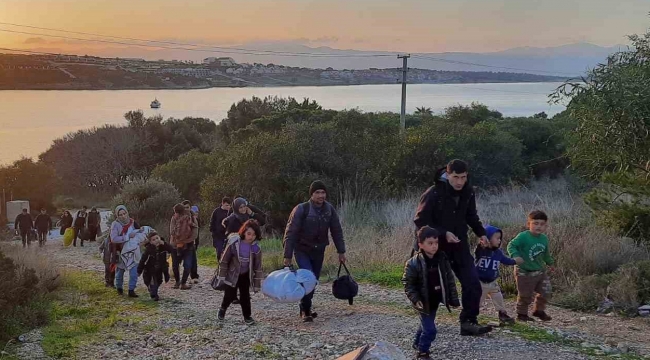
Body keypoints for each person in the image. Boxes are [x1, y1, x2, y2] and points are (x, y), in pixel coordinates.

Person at [413, 159, 492, 336]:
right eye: (455, 177)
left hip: (459, 244)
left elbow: (471, 216)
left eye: (463, 177)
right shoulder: (433, 193)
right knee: (431, 289)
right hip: (434, 247)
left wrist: (481, 233)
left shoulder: (468, 192)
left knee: (472, 282)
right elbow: (420, 221)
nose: (459, 182)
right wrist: (443, 233)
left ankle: (468, 322)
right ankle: (426, 329)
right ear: (447, 175)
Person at [283, 180, 346, 322]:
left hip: (319, 250)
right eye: (317, 192)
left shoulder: (329, 209)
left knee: (314, 280)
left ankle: (305, 306)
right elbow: (290, 232)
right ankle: (305, 309)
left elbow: (337, 231)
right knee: (308, 277)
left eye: (323, 192)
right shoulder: (301, 209)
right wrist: (287, 255)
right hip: (302, 250)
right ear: (311, 194)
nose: (321, 195)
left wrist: (341, 252)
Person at [402, 226, 460, 360]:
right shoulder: (413, 263)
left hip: (435, 300)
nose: (434, 246)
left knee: (425, 325)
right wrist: (415, 299)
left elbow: (449, 280)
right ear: (420, 244)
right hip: (423, 301)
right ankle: (422, 352)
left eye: (436, 243)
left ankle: (417, 343)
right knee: (430, 330)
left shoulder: (441, 258)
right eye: (430, 243)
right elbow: (408, 283)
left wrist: (453, 299)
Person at [507, 210, 555, 322]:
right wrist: (515, 256)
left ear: (546, 226)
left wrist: (550, 263)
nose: (539, 226)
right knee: (525, 295)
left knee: (546, 291)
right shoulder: (523, 236)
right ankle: (521, 314)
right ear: (529, 224)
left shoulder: (544, 238)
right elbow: (511, 245)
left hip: (539, 271)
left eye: (542, 224)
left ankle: (539, 311)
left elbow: (546, 253)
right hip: (524, 272)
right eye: (535, 223)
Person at [215, 220, 263, 325]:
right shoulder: (234, 243)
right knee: (229, 294)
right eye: (249, 234)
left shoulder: (256, 248)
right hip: (232, 273)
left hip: (245, 275)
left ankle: (247, 316)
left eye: (254, 234)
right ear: (244, 232)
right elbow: (225, 260)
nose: (251, 237)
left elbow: (258, 266)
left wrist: (257, 283)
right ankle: (222, 309)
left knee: (245, 296)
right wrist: (221, 275)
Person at [474, 225, 520, 325]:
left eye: (500, 238)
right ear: (488, 238)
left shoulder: (498, 253)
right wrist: (482, 243)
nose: (499, 241)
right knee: (477, 301)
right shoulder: (481, 251)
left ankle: (502, 314)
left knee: (498, 297)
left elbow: (505, 260)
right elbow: (477, 252)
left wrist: (514, 261)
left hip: (493, 282)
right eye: (497, 238)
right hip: (480, 282)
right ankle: (471, 316)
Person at [110, 205, 144, 298]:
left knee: (134, 272)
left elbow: (139, 234)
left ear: (127, 213)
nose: (123, 216)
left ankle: (131, 290)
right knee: (120, 271)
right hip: (121, 251)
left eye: (124, 213)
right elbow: (113, 238)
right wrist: (127, 237)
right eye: (120, 214)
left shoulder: (133, 222)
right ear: (117, 215)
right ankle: (119, 288)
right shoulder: (115, 224)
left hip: (133, 251)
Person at [137, 231, 173, 301]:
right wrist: (139, 270)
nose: (156, 240)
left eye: (157, 238)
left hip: (160, 269)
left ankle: (153, 290)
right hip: (150, 270)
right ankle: (154, 295)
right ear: (150, 242)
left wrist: (164, 243)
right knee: (153, 282)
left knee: (159, 281)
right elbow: (143, 260)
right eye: (153, 240)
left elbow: (171, 250)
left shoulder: (163, 247)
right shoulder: (148, 250)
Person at [169, 203, 198, 290]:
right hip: (175, 245)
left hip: (187, 245)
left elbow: (195, 232)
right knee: (175, 265)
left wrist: (184, 241)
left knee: (187, 265)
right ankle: (178, 281)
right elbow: (171, 231)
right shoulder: (174, 218)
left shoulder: (191, 217)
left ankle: (183, 283)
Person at [209, 197, 232, 262]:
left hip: (228, 236)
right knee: (219, 252)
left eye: (229, 205)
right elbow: (212, 223)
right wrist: (213, 232)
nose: (228, 207)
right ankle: (220, 265)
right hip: (218, 236)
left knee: (227, 253)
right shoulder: (216, 212)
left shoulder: (231, 212)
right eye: (226, 205)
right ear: (222, 204)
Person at [190, 205, 201, 284]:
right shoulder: (189, 220)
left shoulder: (197, 220)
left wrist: (197, 242)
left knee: (193, 259)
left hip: (195, 242)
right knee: (191, 260)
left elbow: (197, 233)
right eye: (194, 212)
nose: (196, 214)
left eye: (197, 212)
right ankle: (193, 275)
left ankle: (194, 275)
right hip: (189, 242)